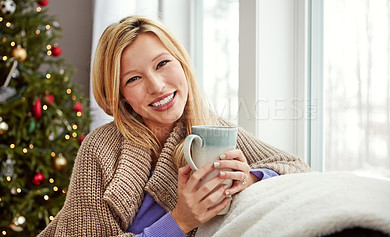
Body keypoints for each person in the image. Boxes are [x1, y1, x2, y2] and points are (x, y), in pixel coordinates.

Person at [38, 16, 310, 237]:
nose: (156, 86)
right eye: (134, 79)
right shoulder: (100, 149)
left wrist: (249, 178)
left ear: (182, 62)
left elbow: (296, 168)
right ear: (121, 95)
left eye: (163, 63)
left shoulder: (214, 130)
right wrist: (180, 221)